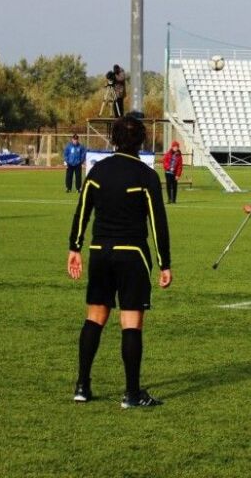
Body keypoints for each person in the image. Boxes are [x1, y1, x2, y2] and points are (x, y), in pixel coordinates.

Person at [67, 115, 172, 408]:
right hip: (132, 255)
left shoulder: (97, 171)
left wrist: (75, 248)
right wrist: (164, 263)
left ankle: (82, 386)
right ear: (141, 140)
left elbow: (82, 211)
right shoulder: (146, 176)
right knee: (131, 322)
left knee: (94, 317)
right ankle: (132, 394)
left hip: (100, 251)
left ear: (113, 139)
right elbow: (158, 223)